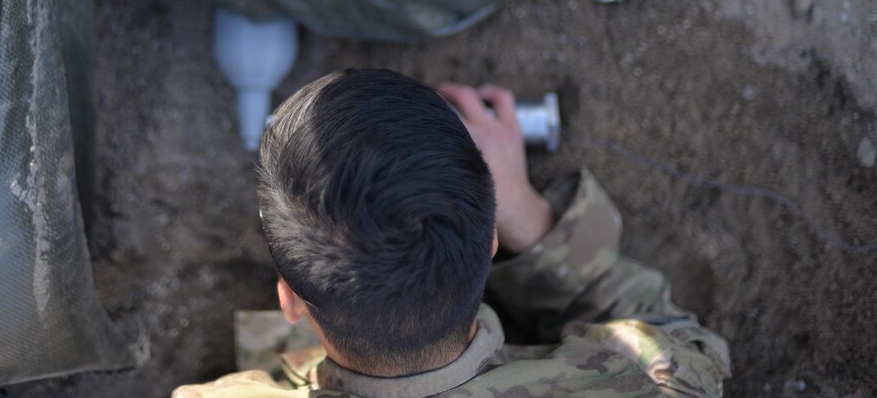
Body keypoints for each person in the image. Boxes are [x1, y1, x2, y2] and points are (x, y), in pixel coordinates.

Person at [174, 69, 730, 397]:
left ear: (288, 299)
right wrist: (538, 230)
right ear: (491, 241)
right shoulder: (648, 381)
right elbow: (684, 344)